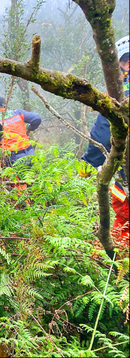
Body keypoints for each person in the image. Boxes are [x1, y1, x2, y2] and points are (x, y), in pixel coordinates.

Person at [82, 35, 129, 243]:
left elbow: (103, 131)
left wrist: (90, 162)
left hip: (126, 168)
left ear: (126, 63)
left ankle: (119, 267)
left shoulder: (121, 92)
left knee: (124, 221)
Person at [0, 97, 42, 167]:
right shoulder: (17, 112)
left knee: (18, 177)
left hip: (13, 156)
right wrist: (30, 128)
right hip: (29, 151)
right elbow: (37, 118)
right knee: (33, 176)